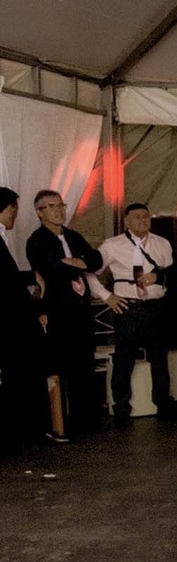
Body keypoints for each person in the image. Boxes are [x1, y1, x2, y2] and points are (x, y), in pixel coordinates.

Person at [88, 202, 177, 426]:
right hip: (128, 307)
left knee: (160, 357)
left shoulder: (162, 243)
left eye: (145, 216)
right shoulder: (113, 245)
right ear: (126, 221)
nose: (142, 220)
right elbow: (90, 272)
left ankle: (163, 403)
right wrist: (106, 296)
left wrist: (158, 277)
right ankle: (121, 406)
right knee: (124, 358)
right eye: (136, 217)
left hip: (156, 306)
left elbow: (171, 273)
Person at [26, 189, 104, 435]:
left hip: (81, 309)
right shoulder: (37, 240)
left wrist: (77, 262)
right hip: (58, 309)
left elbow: (96, 260)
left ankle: (87, 417)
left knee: (85, 363)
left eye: (61, 205)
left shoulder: (72, 236)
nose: (59, 210)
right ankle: (62, 421)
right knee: (62, 364)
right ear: (40, 212)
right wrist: (78, 263)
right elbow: (53, 268)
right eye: (52, 206)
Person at [0, 187, 52, 448]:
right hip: (10, 321)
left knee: (19, 373)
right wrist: (32, 279)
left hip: (15, 318)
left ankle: (23, 429)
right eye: (14, 209)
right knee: (20, 373)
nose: (15, 215)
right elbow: (5, 281)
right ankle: (23, 430)